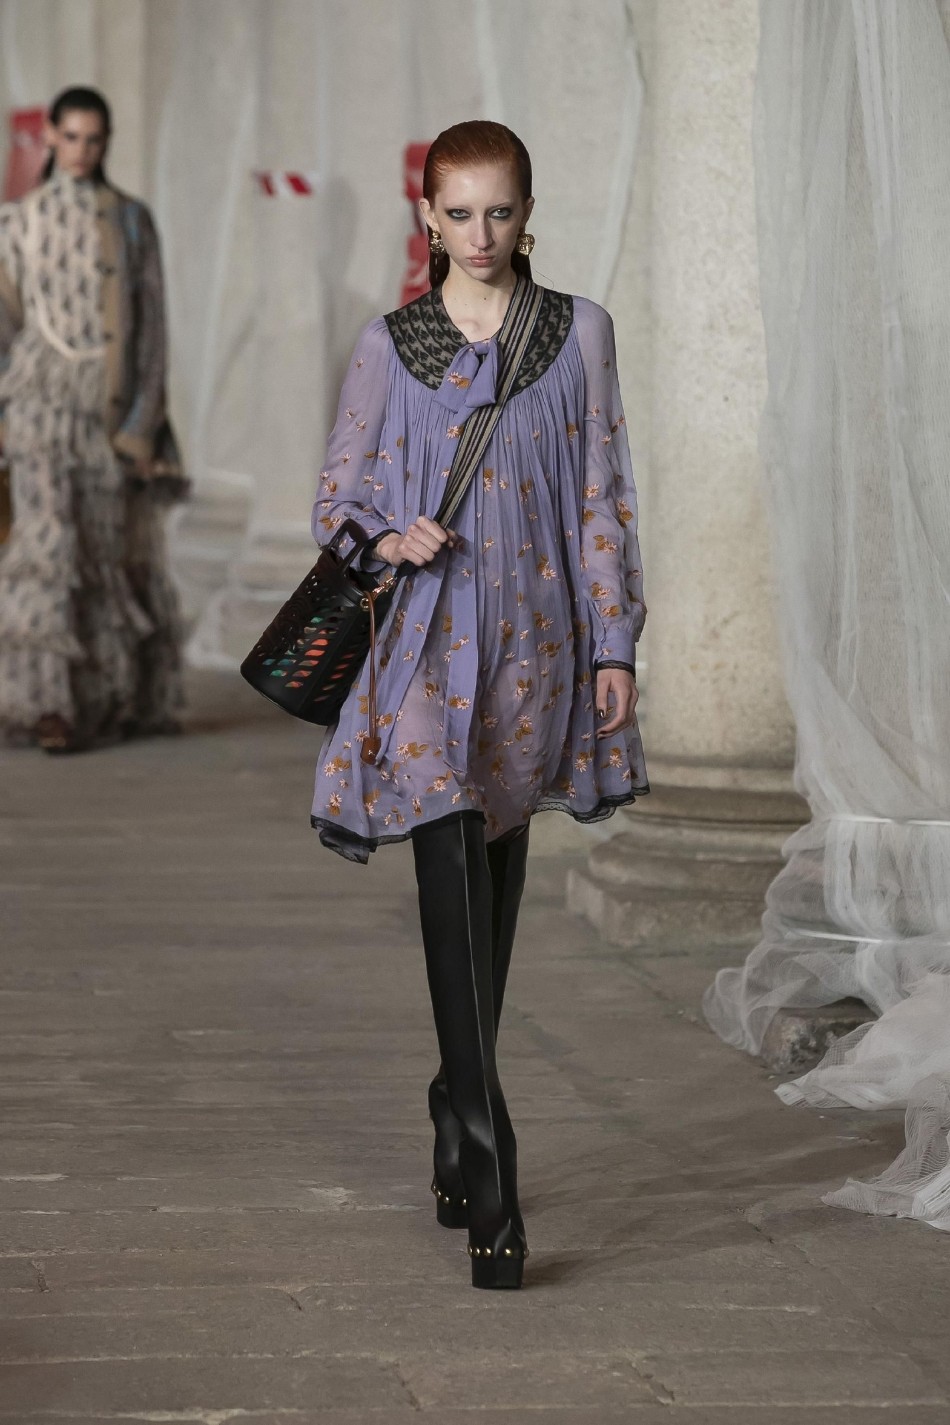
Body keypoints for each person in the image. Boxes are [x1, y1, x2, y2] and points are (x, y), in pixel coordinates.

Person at [310, 121, 648, 1289]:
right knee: (445, 839)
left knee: (492, 868)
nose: (479, 233)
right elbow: (337, 497)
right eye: (457, 213)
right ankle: (491, 1159)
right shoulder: (389, 344)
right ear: (427, 218)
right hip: (417, 639)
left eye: (497, 211)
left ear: (527, 212)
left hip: (531, 646)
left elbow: (601, 492)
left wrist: (614, 642)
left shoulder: (577, 333)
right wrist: (385, 534)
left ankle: (455, 1091)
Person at [0, 86, 186, 753]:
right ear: (49, 136)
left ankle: (98, 697)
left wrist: (141, 423)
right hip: (38, 402)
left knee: (102, 551)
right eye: (71, 136)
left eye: (94, 139)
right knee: (46, 543)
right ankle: (48, 706)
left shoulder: (131, 220)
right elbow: (5, 328)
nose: (81, 150)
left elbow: (151, 333)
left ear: (106, 143)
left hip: (104, 409)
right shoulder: (17, 223)